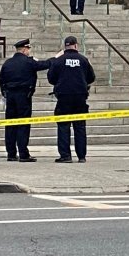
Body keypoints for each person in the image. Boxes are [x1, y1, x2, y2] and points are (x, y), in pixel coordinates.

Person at [0, 39, 52, 162]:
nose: (28, 52)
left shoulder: (8, 63)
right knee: (23, 124)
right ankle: (23, 153)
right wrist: (55, 58)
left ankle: (11, 153)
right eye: (28, 49)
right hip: (24, 96)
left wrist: (5, 94)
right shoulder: (29, 62)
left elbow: (1, 81)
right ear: (24, 49)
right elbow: (44, 65)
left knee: (10, 124)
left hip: (10, 96)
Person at [48, 35, 95, 163]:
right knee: (79, 127)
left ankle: (65, 155)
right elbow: (91, 77)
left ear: (65, 47)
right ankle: (81, 156)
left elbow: (51, 78)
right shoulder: (83, 60)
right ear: (76, 45)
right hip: (80, 97)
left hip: (63, 97)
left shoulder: (59, 60)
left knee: (63, 127)